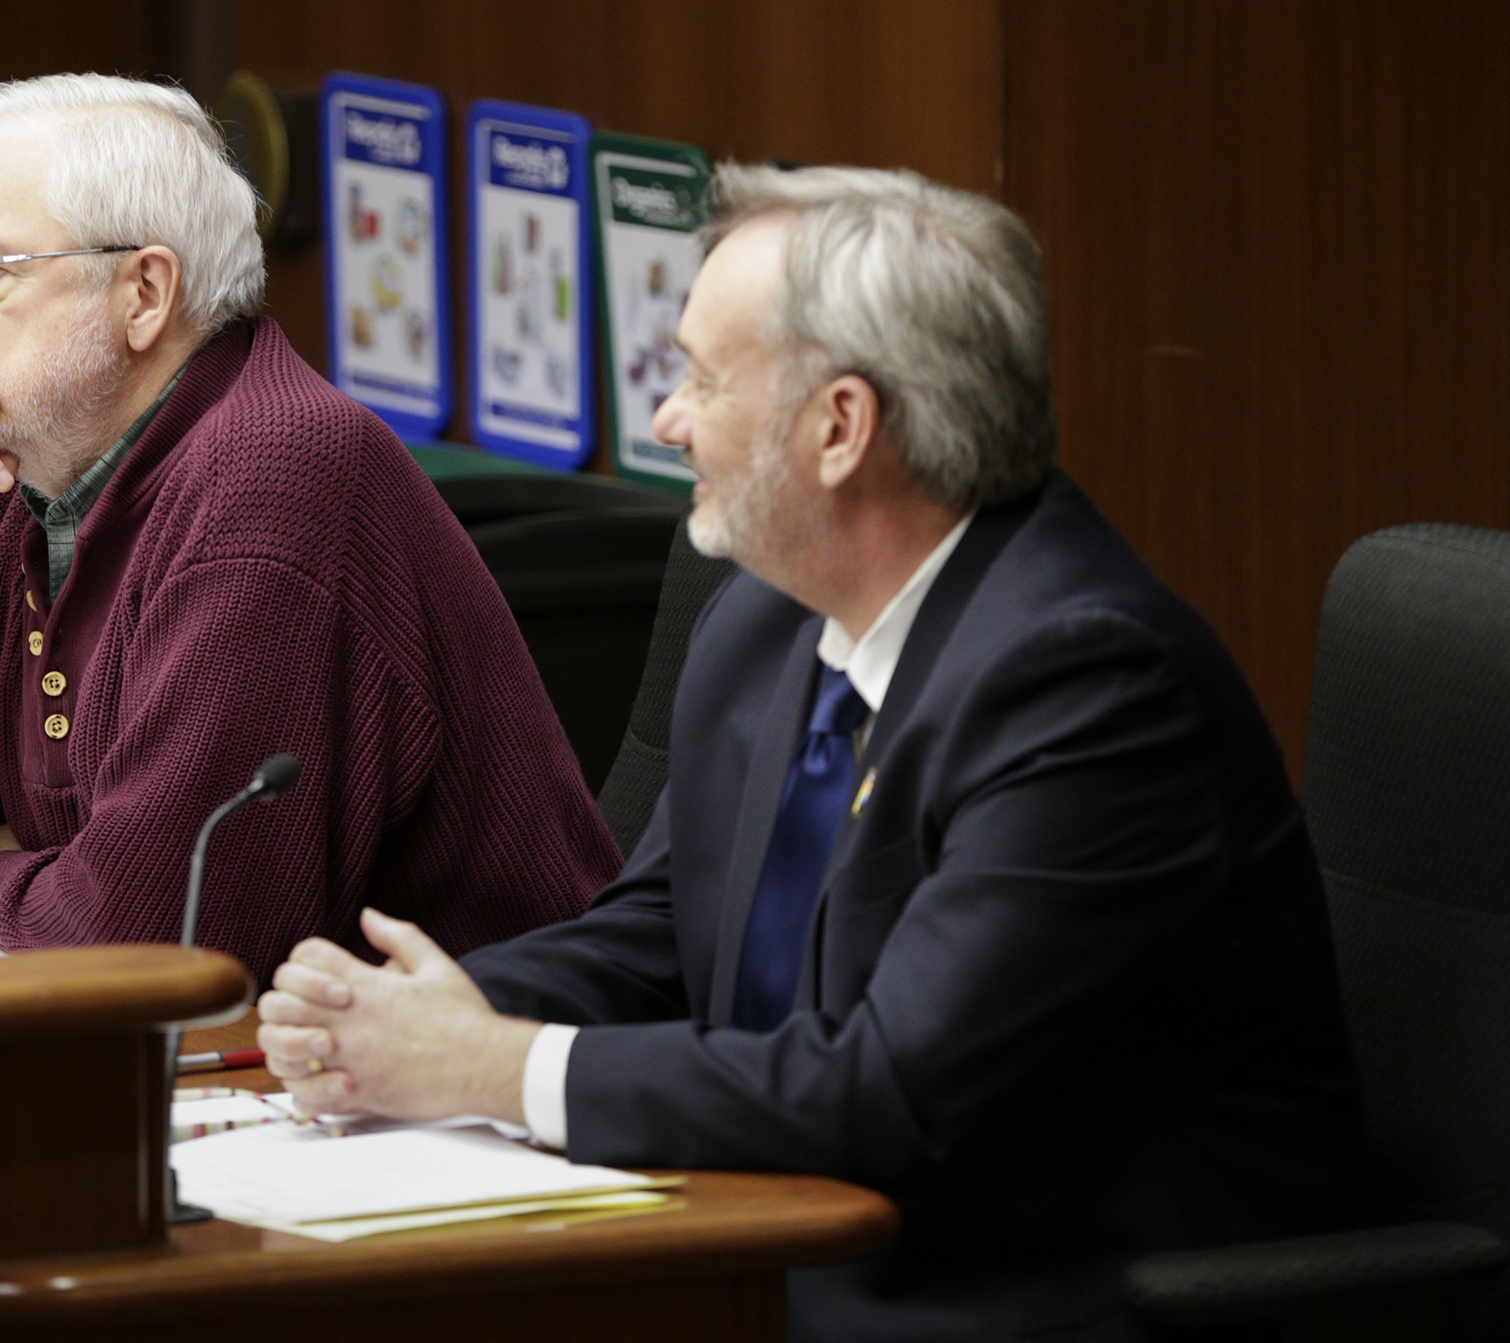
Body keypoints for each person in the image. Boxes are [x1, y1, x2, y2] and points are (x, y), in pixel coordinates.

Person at [257, 165, 1373, 1341]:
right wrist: (406, 1017)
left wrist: (494, 1066)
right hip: (788, 1235)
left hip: (1031, 1288)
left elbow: (891, 1093)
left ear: (841, 426)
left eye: (698, 377)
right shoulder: (768, 616)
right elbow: (657, 942)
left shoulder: (1086, 684)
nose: (666, 420)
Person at [0, 74, 619, 981]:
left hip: (465, 1090)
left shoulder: (278, 475)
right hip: (231, 1074)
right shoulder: (5, 474)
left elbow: (139, 953)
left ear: (144, 294)